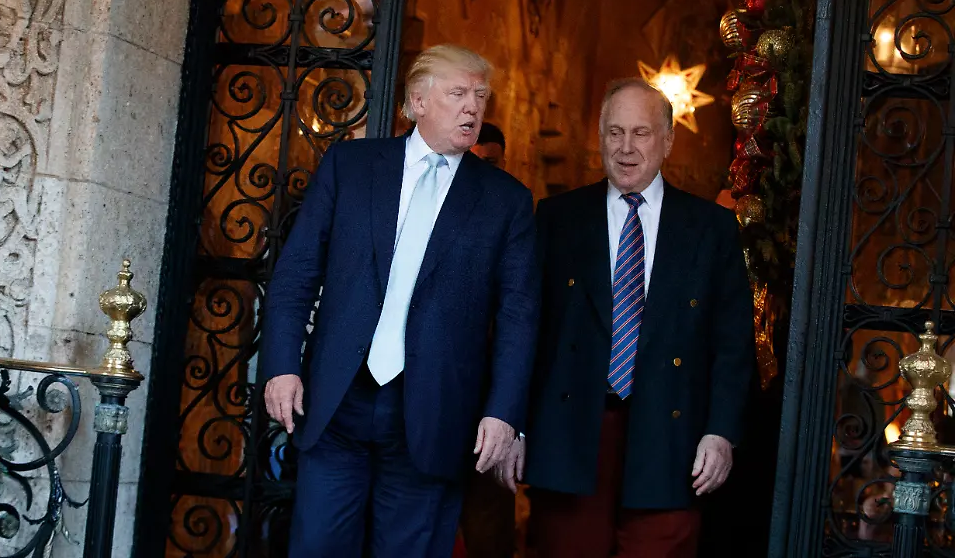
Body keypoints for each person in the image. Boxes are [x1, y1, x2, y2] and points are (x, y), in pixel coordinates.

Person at [260, 44, 539, 558]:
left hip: (434, 415)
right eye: (458, 94)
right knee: (318, 546)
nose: (472, 108)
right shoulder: (351, 165)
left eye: (480, 96)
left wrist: (504, 413)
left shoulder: (507, 200)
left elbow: (519, 317)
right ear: (417, 100)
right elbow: (297, 272)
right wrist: (281, 365)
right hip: (336, 403)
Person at [503, 78, 754, 558]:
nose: (626, 148)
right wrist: (514, 425)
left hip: (671, 439)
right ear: (600, 138)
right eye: (615, 133)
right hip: (570, 432)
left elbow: (732, 344)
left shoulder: (711, 228)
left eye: (641, 133)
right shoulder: (557, 218)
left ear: (667, 139)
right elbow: (525, 328)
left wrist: (720, 432)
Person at [459, 121, 517, 558]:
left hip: (489, 401)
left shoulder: (514, 212)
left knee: (487, 524)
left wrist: (508, 412)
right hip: (430, 393)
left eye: (491, 163)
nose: (480, 171)